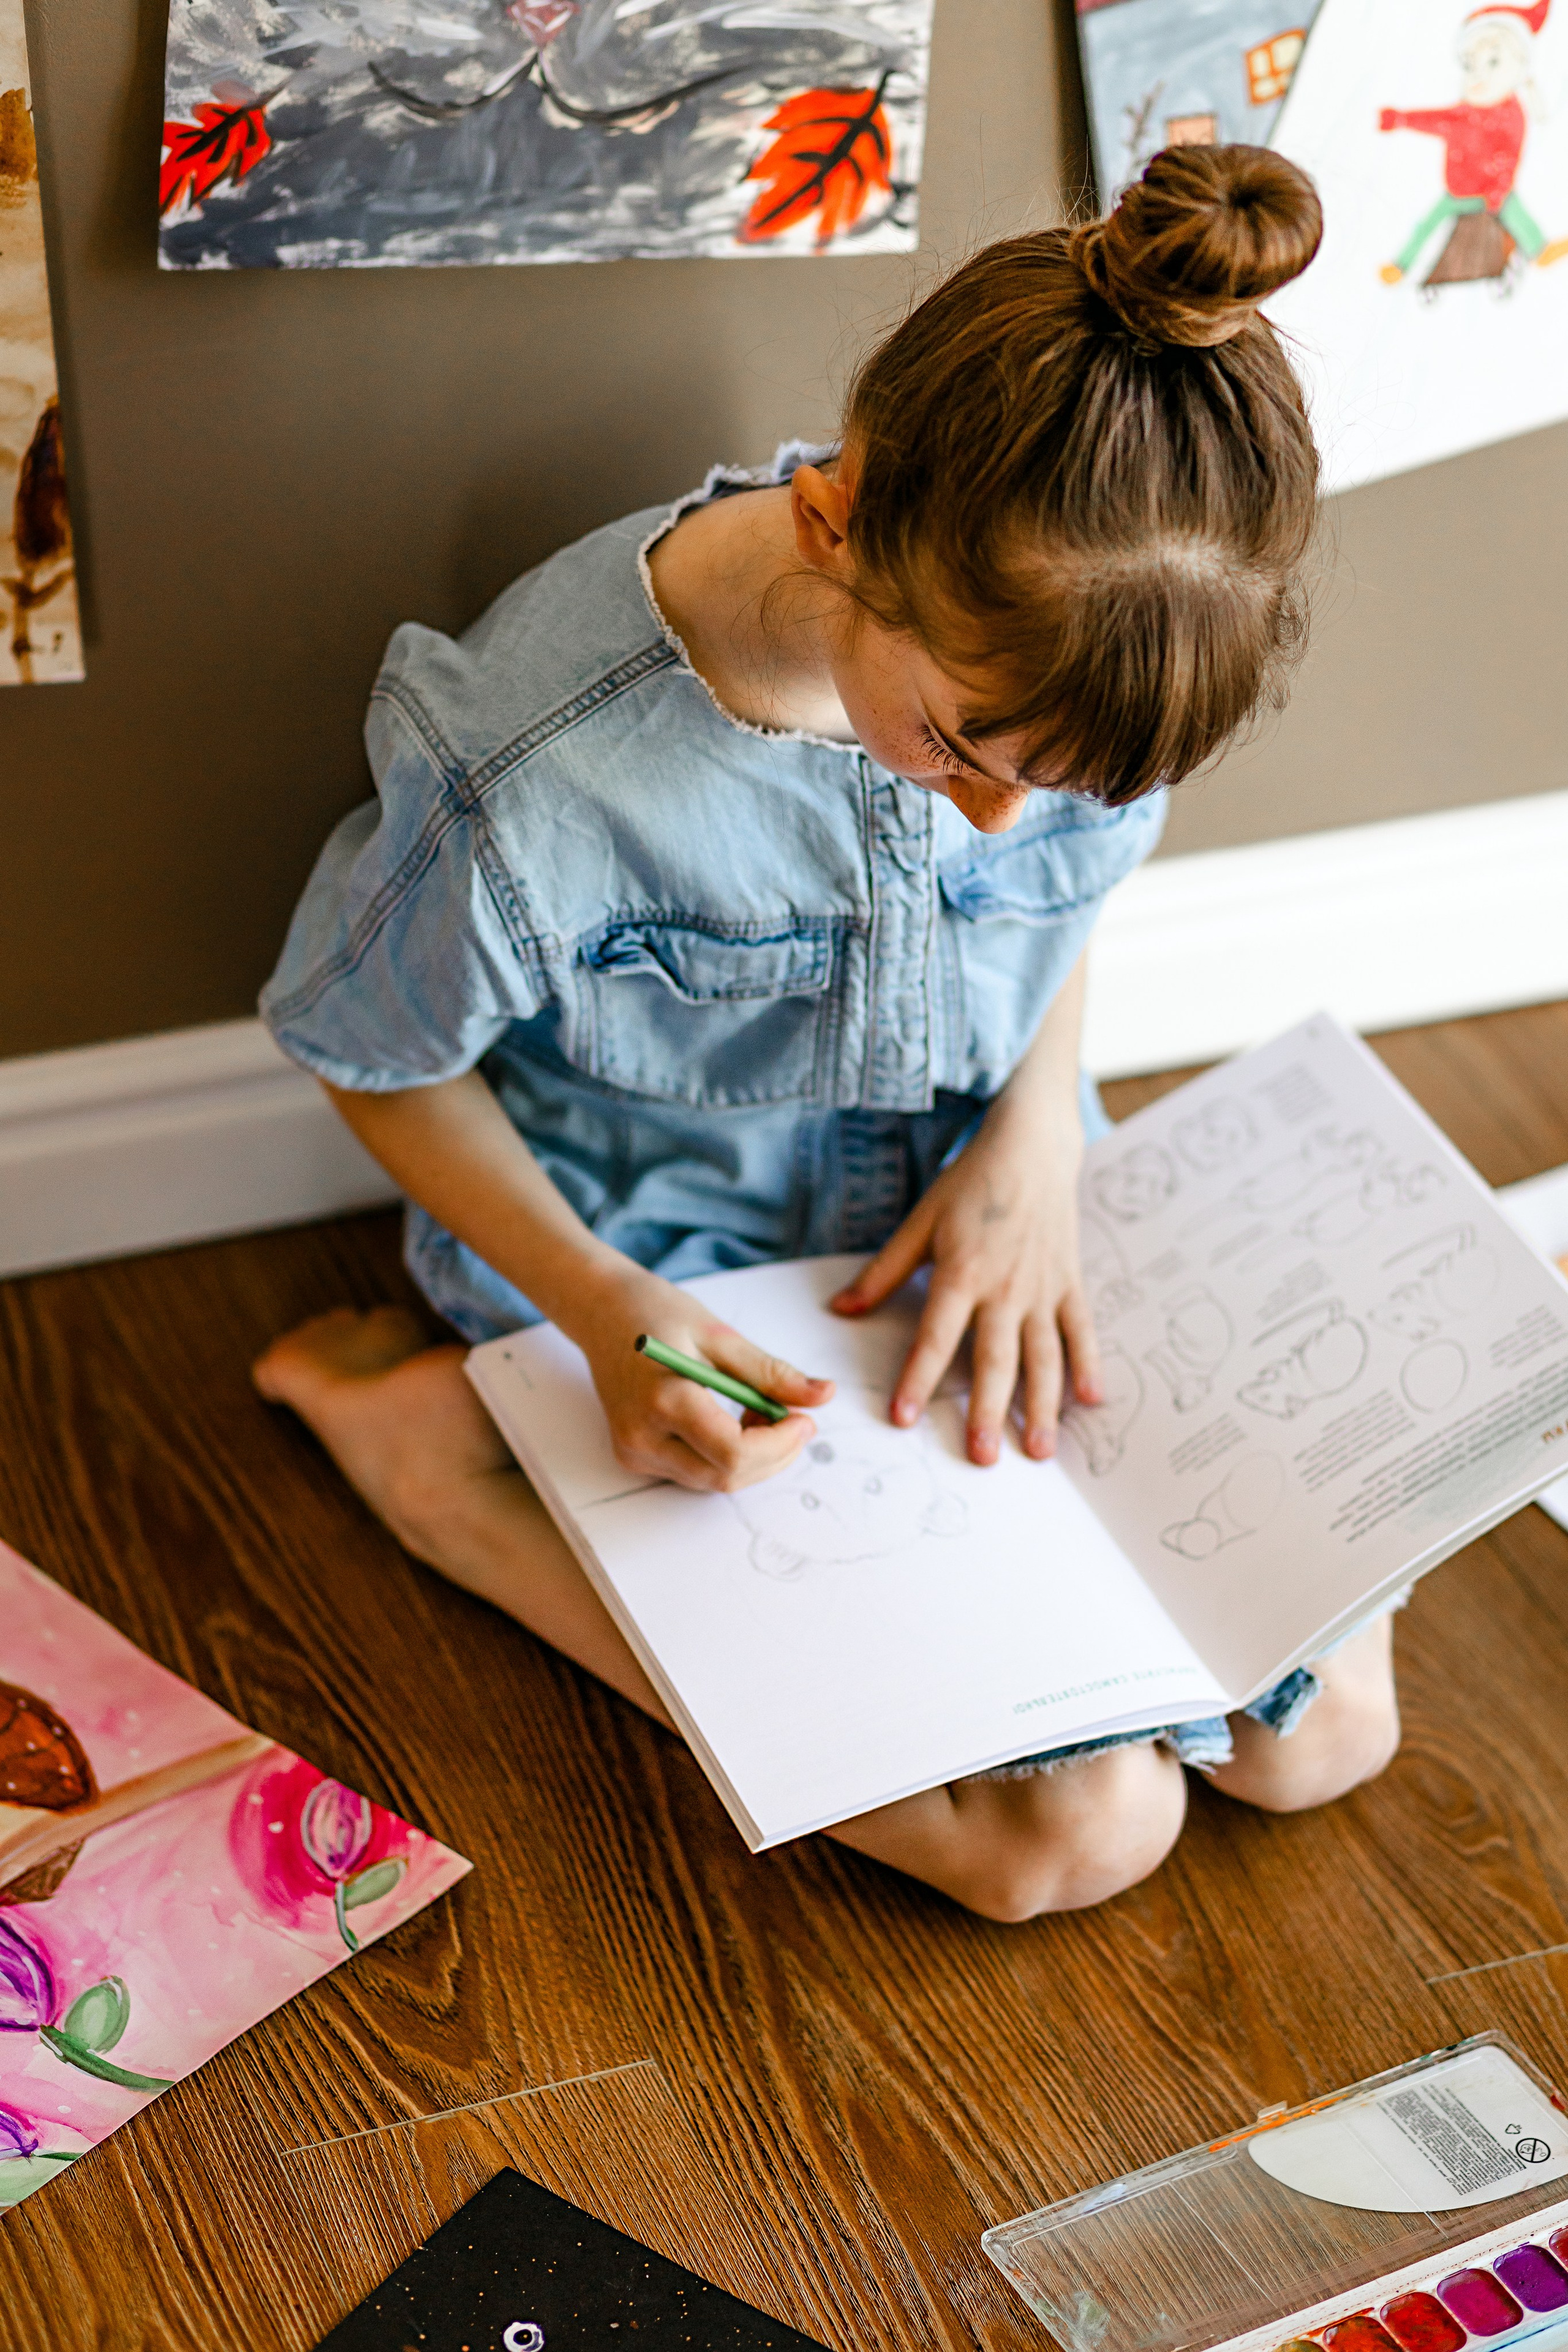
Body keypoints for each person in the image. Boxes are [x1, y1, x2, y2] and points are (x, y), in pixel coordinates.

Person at [255, 145, 1401, 1923]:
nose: (1004, 826)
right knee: (1067, 1845)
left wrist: (1030, 1149)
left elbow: (1055, 903)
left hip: (984, 1191)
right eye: (961, 753)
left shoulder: (1066, 665)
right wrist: (607, 1313)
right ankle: (457, 1483)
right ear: (836, 525)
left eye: (1071, 789)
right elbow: (365, 1050)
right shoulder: (537, 782)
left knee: (1321, 1744)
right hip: (670, 1258)